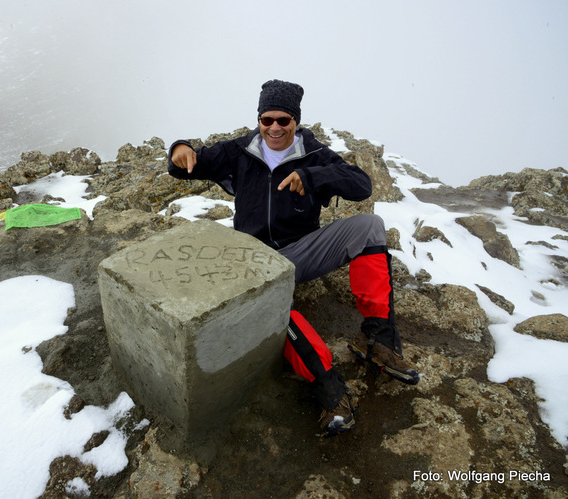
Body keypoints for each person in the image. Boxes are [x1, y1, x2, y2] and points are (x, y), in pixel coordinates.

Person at [167, 79, 420, 437]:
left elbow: (361, 184)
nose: (274, 128)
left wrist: (312, 176)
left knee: (369, 226)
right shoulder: (239, 151)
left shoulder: (314, 153)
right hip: (253, 263)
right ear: (258, 119)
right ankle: (329, 388)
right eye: (266, 119)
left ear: (295, 121)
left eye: (283, 121)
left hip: (302, 252)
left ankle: (377, 338)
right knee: (269, 307)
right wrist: (179, 148)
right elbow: (184, 165)